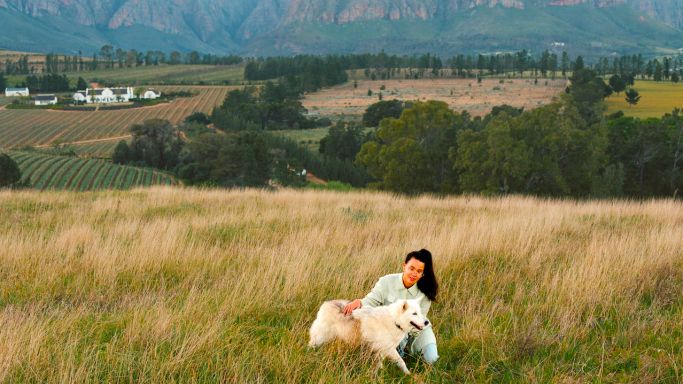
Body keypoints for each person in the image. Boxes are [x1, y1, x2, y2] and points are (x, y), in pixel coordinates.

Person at [343, 249, 439, 364]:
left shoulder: (425, 292)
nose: (414, 273)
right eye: (411, 268)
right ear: (404, 266)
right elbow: (372, 300)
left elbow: (419, 321)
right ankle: (398, 352)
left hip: (418, 329)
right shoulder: (386, 281)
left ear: (422, 274)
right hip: (389, 328)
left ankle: (406, 350)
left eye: (419, 271)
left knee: (431, 359)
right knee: (378, 354)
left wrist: (401, 340)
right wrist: (359, 302)